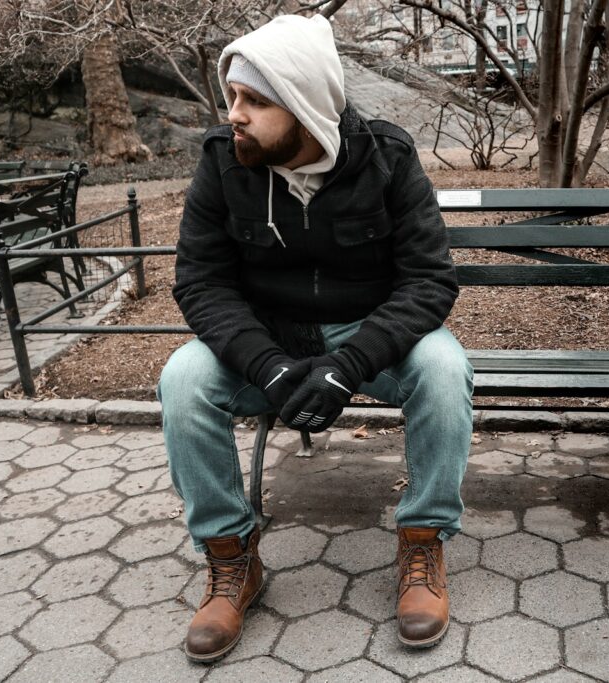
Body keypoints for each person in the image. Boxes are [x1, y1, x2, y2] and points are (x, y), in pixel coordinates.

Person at [157, 14, 473, 663]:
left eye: (253, 100)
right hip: (266, 337)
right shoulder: (223, 163)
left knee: (444, 366)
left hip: (368, 335)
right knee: (183, 377)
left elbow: (429, 280)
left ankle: (421, 541)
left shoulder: (386, 158)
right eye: (233, 96)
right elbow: (201, 282)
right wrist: (267, 366)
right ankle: (232, 556)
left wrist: (350, 361)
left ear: (302, 104)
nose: (233, 114)